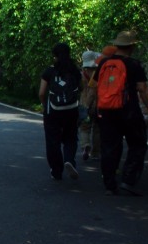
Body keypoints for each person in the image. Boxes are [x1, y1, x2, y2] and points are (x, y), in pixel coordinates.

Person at [94, 30, 148, 196]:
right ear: (131, 46)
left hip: (107, 111)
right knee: (138, 144)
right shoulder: (134, 64)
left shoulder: (104, 63)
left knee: (109, 147)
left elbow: (96, 86)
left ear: (117, 45)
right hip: (129, 111)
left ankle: (110, 184)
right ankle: (128, 179)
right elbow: (142, 89)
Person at [39, 43, 81, 180]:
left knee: (53, 140)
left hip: (53, 111)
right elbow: (82, 88)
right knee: (71, 136)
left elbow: (41, 93)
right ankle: (69, 159)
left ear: (54, 55)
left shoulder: (49, 71)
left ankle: (56, 171)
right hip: (71, 109)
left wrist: (45, 105)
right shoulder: (74, 70)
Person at [79, 50, 102, 162]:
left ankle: (85, 145)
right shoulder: (99, 73)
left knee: (84, 128)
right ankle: (96, 153)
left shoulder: (82, 75)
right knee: (98, 129)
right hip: (98, 105)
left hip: (85, 104)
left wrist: (85, 106)